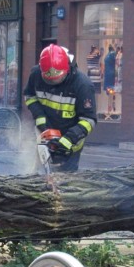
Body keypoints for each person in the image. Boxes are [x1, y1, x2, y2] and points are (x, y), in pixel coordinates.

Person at [24, 44, 97, 172]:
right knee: (38, 174)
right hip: (45, 132)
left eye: (57, 78)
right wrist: (41, 120)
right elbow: (30, 96)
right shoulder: (35, 74)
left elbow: (89, 120)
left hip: (71, 141)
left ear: (67, 69)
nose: (53, 82)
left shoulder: (83, 85)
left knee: (66, 181)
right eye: (49, 79)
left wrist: (68, 140)